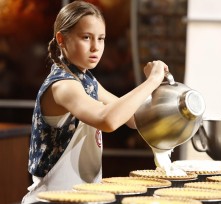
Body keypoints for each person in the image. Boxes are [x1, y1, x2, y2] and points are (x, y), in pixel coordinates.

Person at [22, 1, 168, 203]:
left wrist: (159, 88)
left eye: (101, 39)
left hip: (84, 196)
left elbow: (134, 118)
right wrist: (151, 81)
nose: (96, 47)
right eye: (86, 37)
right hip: (52, 199)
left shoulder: (87, 81)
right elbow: (106, 120)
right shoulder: (63, 85)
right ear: (61, 39)